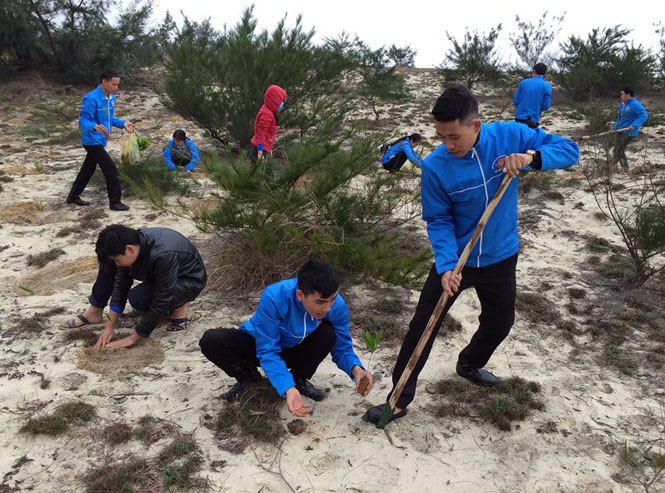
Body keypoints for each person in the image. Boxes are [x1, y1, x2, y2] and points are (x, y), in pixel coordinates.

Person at [364, 85, 579, 425]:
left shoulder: (510, 135)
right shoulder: (435, 166)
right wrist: (447, 266)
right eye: (441, 137)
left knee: (500, 322)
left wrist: (530, 158)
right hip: (457, 261)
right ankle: (399, 398)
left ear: (475, 125)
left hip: (500, 255)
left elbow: (569, 149)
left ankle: (469, 362)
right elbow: (438, 219)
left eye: (454, 136)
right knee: (422, 326)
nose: (448, 145)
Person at [199, 259, 374, 417]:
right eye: (320, 302)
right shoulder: (274, 297)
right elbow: (267, 350)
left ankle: (299, 379)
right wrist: (286, 388)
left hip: (295, 349)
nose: (327, 308)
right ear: (300, 295)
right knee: (211, 340)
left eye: (332, 300)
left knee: (328, 333)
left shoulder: (337, 306)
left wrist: (356, 369)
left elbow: (342, 347)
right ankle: (249, 378)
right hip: (259, 345)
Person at [65, 225, 207, 349]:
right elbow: (121, 286)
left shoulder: (163, 254)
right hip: (158, 275)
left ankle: (180, 307)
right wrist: (109, 326)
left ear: (130, 249)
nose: (118, 263)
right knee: (131, 290)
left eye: (118, 259)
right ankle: (95, 311)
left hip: (188, 280)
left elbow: (162, 298)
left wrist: (133, 337)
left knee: (149, 298)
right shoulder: (131, 245)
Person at [66, 70, 134, 211]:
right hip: (92, 141)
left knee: (87, 169)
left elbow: (109, 119)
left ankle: (73, 196)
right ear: (104, 81)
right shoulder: (91, 98)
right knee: (111, 169)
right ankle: (115, 202)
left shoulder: (111, 99)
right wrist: (94, 126)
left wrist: (123, 124)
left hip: (101, 140)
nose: (116, 88)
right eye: (113, 84)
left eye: (118, 85)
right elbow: (83, 120)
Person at [612, 86, 648, 171]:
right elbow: (620, 118)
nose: (621, 96)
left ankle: (625, 168)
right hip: (620, 130)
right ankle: (613, 166)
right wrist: (614, 127)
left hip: (629, 132)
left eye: (622, 94)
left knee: (619, 149)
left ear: (628, 95)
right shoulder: (623, 104)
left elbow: (644, 115)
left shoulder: (635, 104)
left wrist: (634, 125)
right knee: (616, 150)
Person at [250, 85, 287, 162]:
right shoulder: (266, 115)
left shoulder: (269, 111)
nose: (282, 105)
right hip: (259, 148)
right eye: (281, 102)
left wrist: (269, 148)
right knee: (257, 171)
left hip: (264, 147)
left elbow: (268, 134)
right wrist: (260, 152)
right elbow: (261, 133)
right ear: (275, 101)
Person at [513, 63, 552, 129]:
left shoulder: (523, 82)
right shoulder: (547, 86)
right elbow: (546, 106)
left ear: (534, 71)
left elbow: (515, 101)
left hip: (519, 117)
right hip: (533, 120)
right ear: (545, 74)